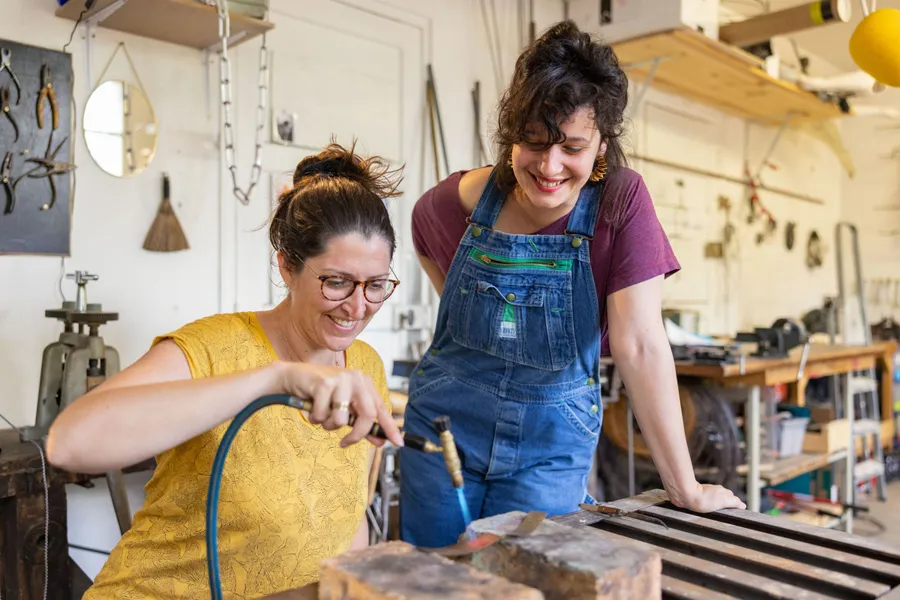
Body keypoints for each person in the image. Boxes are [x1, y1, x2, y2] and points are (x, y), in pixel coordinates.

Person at [399, 20, 745, 548]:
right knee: (431, 580)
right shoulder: (454, 204)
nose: (549, 166)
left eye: (572, 148)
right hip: (443, 434)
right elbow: (426, 236)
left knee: (531, 578)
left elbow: (641, 343)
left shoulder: (620, 203)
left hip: (548, 447)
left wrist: (685, 486)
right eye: (533, 143)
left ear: (602, 143)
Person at [46, 142, 406, 598]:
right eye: (336, 282)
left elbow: (345, 519)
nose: (357, 307)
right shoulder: (213, 348)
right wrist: (271, 379)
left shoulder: (365, 366)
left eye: (375, 285)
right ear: (287, 267)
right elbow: (70, 443)